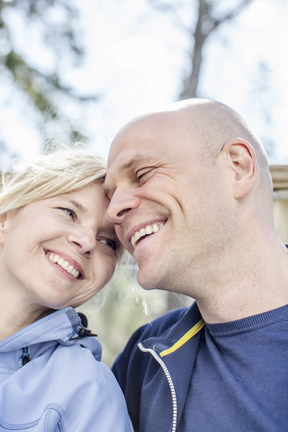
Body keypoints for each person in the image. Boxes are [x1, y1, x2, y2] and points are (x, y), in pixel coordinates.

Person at [104, 98, 288, 432]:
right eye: (110, 195)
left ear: (237, 166)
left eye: (142, 174)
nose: (112, 210)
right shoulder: (142, 359)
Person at [0, 148, 133, 431]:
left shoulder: (88, 390)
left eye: (109, 242)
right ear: (4, 218)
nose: (87, 242)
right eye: (68, 212)